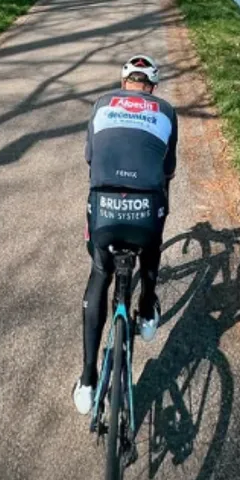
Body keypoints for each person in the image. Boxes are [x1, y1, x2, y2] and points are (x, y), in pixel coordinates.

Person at [73, 54, 178, 415]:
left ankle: (87, 382)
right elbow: (168, 171)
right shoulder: (165, 111)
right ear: (153, 87)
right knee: (150, 250)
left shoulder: (102, 105)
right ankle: (147, 311)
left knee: (100, 273)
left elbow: (90, 158)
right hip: (146, 211)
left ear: (123, 83)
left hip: (104, 209)